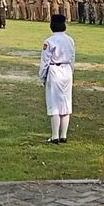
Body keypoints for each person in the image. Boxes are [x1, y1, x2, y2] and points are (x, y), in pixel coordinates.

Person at [39, 14, 75, 144]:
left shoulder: (49, 41)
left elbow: (45, 61)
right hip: (67, 71)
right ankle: (63, 135)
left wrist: (42, 76)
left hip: (54, 71)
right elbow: (72, 58)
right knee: (65, 103)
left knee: (54, 104)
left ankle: (55, 136)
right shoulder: (70, 40)